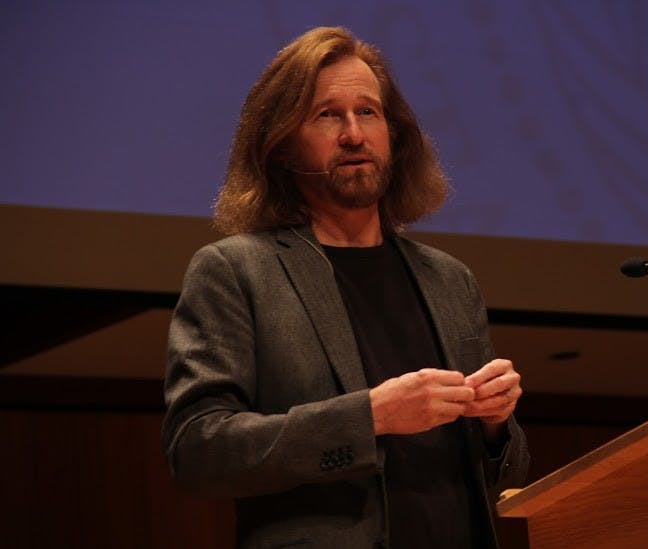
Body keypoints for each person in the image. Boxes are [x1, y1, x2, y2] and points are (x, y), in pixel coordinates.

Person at [162, 26, 529, 549]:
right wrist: (370, 417)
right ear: (282, 145)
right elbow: (197, 451)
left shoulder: (449, 279)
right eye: (327, 115)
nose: (354, 134)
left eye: (369, 113)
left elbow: (503, 475)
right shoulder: (235, 271)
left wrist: (497, 425)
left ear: (394, 136)